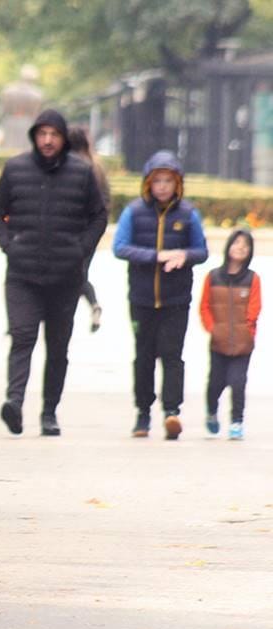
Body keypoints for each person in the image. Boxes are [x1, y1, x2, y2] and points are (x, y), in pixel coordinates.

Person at [0, 109, 107, 437]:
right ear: (34, 137)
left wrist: (80, 249)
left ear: (64, 138)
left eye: (54, 134)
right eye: (42, 134)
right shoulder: (15, 169)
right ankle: (14, 402)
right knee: (22, 337)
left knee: (57, 348)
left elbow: (99, 216)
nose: (48, 140)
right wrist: (9, 245)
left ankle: (49, 412)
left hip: (65, 277)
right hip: (22, 274)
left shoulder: (82, 173)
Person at [113, 150, 207, 439]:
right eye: (157, 181)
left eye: (168, 180)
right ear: (148, 183)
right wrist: (156, 256)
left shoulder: (188, 214)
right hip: (141, 299)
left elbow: (202, 250)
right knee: (143, 356)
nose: (163, 186)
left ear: (177, 184)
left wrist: (184, 255)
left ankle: (171, 412)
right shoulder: (133, 212)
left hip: (175, 300)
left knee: (172, 355)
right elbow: (120, 247)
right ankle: (142, 414)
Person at [199, 228, 261, 440]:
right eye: (237, 243)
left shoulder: (252, 279)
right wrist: (213, 329)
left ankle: (237, 422)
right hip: (218, 342)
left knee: (238, 382)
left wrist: (248, 330)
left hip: (243, 344)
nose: (240, 248)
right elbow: (204, 306)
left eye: (246, 245)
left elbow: (255, 308)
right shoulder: (213, 276)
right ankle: (211, 412)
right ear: (229, 246)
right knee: (215, 383)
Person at [67, 126, 110, 332]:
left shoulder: (70, 166)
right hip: (90, 231)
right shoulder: (96, 166)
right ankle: (93, 304)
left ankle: (85, 306)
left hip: (71, 230)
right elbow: (106, 201)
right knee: (81, 271)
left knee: (73, 274)